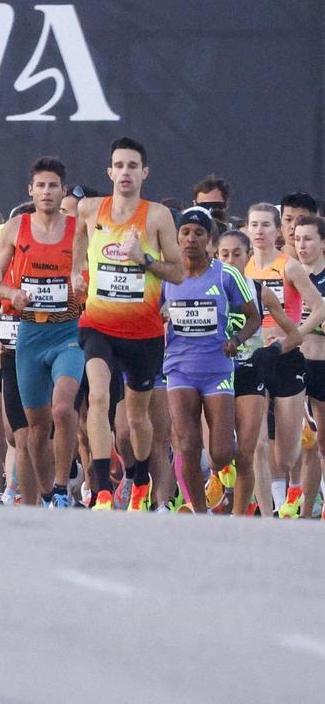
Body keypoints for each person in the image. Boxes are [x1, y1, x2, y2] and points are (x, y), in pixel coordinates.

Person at [70, 137, 184, 511]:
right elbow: (79, 234)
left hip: (143, 332)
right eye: (119, 165)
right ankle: (102, 489)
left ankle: (140, 480)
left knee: (136, 419)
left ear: (144, 173)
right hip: (98, 325)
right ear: (109, 171)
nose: (125, 172)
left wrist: (143, 259)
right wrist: (76, 271)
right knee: (98, 397)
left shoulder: (157, 217)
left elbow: (178, 272)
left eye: (132, 166)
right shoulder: (89, 208)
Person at [0, 157, 84, 507]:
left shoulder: (78, 228)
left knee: (62, 409)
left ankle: (61, 487)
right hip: (30, 335)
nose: (46, 191)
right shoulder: (15, 228)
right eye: (40, 185)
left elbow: (91, 271)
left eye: (53, 186)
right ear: (31, 190)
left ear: (63, 190)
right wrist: (11, 293)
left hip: (68, 333)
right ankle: (47, 495)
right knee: (36, 429)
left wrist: (81, 282)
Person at [161, 207, 259, 512]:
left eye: (198, 233)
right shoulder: (166, 275)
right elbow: (149, 311)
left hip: (217, 368)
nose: (191, 239)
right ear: (177, 238)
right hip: (178, 367)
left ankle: (222, 463)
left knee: (220, 455)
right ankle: (200, 513)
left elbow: (253, 317)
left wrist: (236, 340)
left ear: (209, 240)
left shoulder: (226, 274)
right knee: (187, 444)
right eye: (185, 232)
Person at [244, 202, 324, 515]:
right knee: (258, 444)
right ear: (247, 229)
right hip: (253, 359)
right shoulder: (242, 268)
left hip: (287, 359)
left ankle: (296, 489)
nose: (259, 231)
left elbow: (319, 308)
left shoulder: (289, 266)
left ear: (278, 230)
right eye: (254, 225)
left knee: (287, 455)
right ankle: (269, 515)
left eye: (266, 225)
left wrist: (294, 336)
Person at [217, 230, 302, 516]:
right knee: (217, 453)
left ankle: (264, 516)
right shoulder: (204, 287)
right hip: (213, 374)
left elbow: (295, 336)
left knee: (257, 448)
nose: (231, 260)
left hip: (250, 371)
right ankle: (223, 476)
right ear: (216, 256)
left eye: (237, 254)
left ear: (248, 257)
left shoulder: (259, 290)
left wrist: (273, 350)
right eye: (224, 254)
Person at [289, 214, 325, 518]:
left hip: (322, 364)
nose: (302, 245)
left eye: (308, 239)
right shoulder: (289, 273)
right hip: (295, 365)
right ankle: (301, 508)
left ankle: (315, 504)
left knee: (322, 440)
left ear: (323, 243)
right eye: (297, 238)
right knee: (303, 440)